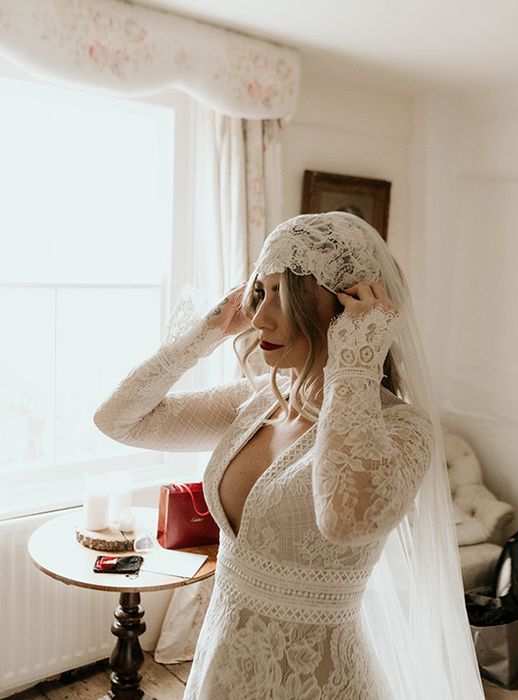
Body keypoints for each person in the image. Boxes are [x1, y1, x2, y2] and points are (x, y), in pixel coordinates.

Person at [94, 212, 483, 699]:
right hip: (221, 668)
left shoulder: (403, 429)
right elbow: (118, 420)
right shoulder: (257, 401)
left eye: (284, 295)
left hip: (319, 684)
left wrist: (355, 366)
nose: (259, 319)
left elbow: (345, 518)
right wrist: (208, 331)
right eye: (262, 292)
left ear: (344, 309)